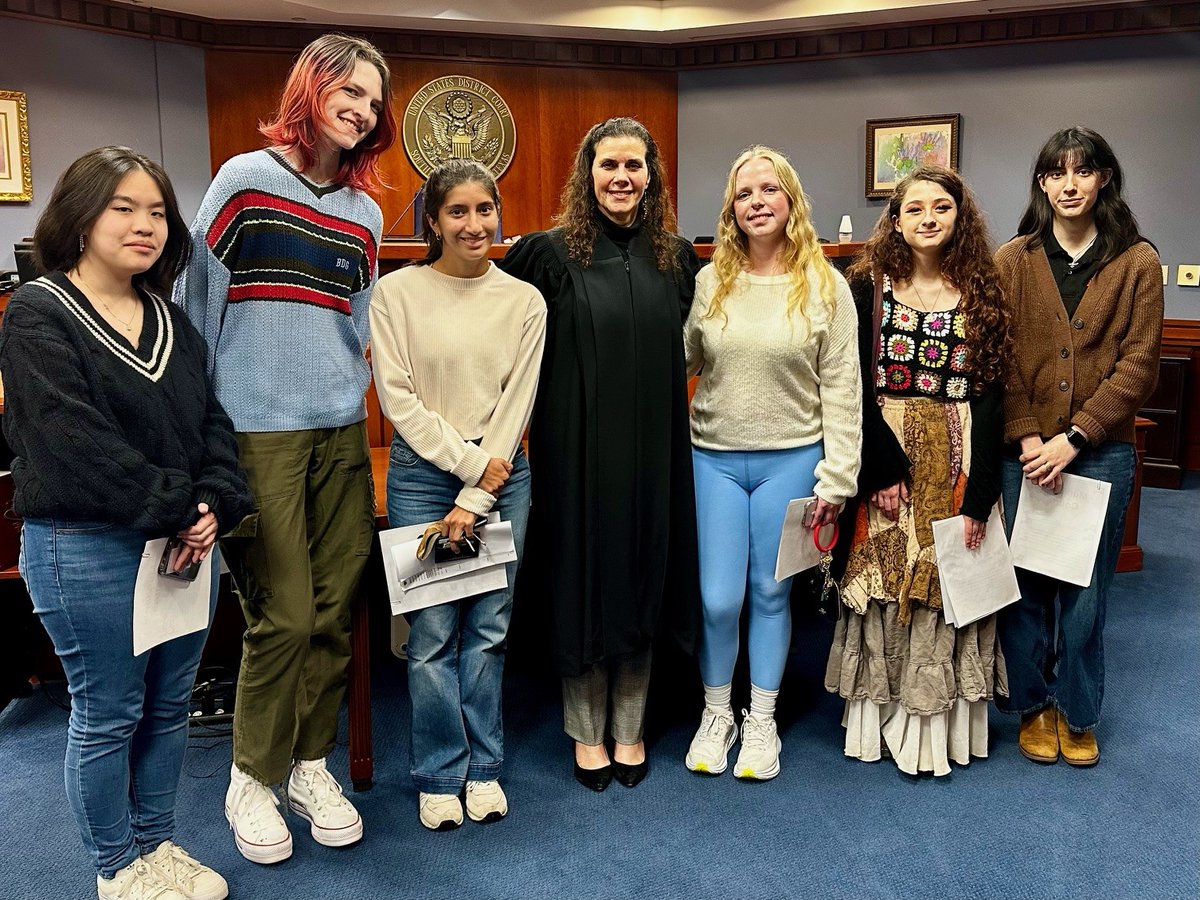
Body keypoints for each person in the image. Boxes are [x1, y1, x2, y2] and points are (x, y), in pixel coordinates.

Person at [0, 146, 253, 900]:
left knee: (170, 706)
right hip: (87, 548)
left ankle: (156, 844)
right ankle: (117, 868)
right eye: (124, 208)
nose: (146, 225)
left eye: (156, 212)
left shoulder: (170, 317)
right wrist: (183, 507)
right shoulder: (38, 313)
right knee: (109, 713)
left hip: (180, 545)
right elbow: (72, 443)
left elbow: (213, 424)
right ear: (80, 216)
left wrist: (210, 505)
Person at [174, 33, 396, 862]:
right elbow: (197, 316)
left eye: (375, 101)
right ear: (313, 87)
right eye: (352, 90)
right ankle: (251, 778)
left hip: (340, 429)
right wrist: (201, 448)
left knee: (337, 611)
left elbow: (360, 326)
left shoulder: (367, 214)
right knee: (286, 615)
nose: (363, 109)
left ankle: (309, 764)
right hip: (254, 434)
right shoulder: (244, 181)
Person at [500, 117, 701, 792]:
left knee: (645, 572)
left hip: (656, 452)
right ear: (588, 173)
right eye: (609, 165)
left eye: (634, 166)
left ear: (652, 176)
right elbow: (495, 325)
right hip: (576, 452)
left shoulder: (674, 257)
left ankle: (631, 726)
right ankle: (586, 732)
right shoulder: (548, 254)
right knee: (582, 579)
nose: (622, 177)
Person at [369, 160, 546, 830]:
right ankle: (440, 772)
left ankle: (486, 767)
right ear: (434, 222)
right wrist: (471, 469)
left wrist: (479, 489)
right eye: (457, 212)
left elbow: (517, 401)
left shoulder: (524, 300)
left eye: (484, 210)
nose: (474, 225)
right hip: (424, 476)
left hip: (503, 478)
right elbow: (399, 399)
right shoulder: (399, 293)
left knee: (491, 629)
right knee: (434, 632)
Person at [824, 165, 1010, 776]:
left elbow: (989, 394)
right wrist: (878, 469)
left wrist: (980, 493)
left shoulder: (981, 291)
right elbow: (852, 384)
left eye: (942, 208)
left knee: (946, 583)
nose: (928, 218)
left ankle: (934, 728)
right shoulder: (867, 287)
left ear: (960, 218)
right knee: (883, 584)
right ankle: (878, 721)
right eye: (914, 209)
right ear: (895, 220)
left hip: (957, 455)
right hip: (887, 453)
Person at [682, 147, 861, 780]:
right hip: (715, 461)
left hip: (793, 460)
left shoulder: (826, 286)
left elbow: (842, 389)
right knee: (717, 598)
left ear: (791, 201)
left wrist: (837, 479)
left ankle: (761, 719)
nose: (756, 201)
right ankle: (715, 713)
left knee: (770, 592)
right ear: (732, 208)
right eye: (743, 193)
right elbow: (679, 363)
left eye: (769, 190)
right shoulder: (710, 281)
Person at [995, 127, 1162, 767]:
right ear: (1042, 183)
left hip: (1100, 450)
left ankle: (1078, 709)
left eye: (1082, 172)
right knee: (1028, 584)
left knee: (1087, 590)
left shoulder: (1137, 261)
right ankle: (1034, 705)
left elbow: (1139, 366)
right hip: (1025, 450)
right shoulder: (1014, 259)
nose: (1069, 184)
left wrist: (1076, 437)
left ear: (1103, 180)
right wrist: (1032, 434)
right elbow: (1000, 359)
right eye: (1056, 173)